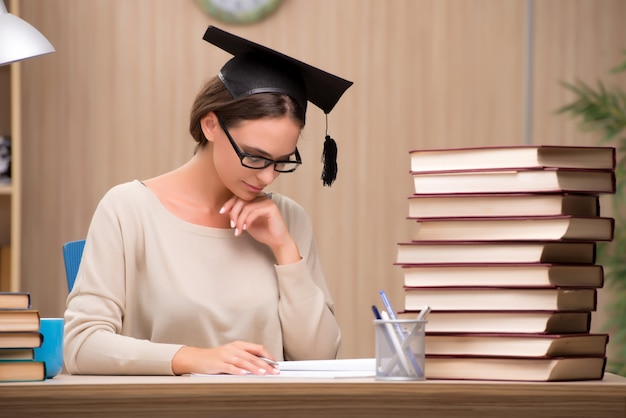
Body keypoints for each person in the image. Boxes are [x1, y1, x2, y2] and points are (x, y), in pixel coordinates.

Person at [63, 26, 353, 376]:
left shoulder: (287, 218)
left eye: (282, 162)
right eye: (256, 156)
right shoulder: (128, 209)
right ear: (211, 125)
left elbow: (320, 360)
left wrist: (285, 251)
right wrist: (193, 358)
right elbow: (81, 346)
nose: (266, 177)